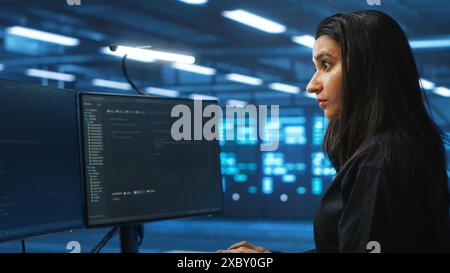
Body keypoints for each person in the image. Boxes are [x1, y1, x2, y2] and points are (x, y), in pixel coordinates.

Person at [217, 10, 449, 253]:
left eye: (326, 65)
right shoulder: (404, 146)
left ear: (366, 69)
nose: (312, 85)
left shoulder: (379, 162)